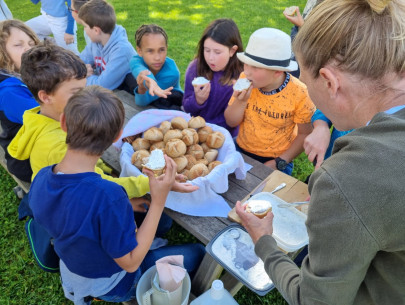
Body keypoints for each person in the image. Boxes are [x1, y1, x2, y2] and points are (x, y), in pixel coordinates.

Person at [236, 0, 405, 304]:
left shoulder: (347, 177)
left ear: (328, 81)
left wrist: (264, 242)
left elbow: (315, 300)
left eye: (305, 80)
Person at [28, 85, 205, 304]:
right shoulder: (109, 196)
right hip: (112, 283)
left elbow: (72, 209)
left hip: (73, 265)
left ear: (63, 122)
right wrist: (158, 201)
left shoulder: (42, 176)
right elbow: (130, 263)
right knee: (198, 252)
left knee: (163, 223)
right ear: (118, 137)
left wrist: (124, 208)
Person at [7, 42, 196, 200]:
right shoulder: (57, 147)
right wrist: (151, 184)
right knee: (160, 221)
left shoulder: (38, 117)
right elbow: (98, 187)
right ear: (46, 96)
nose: (83, 97)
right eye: (75, 93)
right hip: (78, 205)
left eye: (84, 88)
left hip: (79, 188)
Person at [224, 28, 315, 175]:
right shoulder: (244, 79)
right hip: (241, 148)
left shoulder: (299, 93)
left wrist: (279, 162)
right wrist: (240, 102)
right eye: (246, 63)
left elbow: (305, 134)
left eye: (255, 67)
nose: (247, 71)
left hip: (278, 158)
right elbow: (231, 121)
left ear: (277, 71)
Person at [183, 19, 243, 137]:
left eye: (217, 52)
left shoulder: (240, 77)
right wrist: (197, 101)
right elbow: (186, 107)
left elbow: (233, 120)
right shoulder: (195, 68)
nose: (210, 58)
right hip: (194, 132)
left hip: (223, 136)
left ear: (232, 51)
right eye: (207, 50)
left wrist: (207, 129)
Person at [0, 19, 40, 182]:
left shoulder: (20, 74)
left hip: (39, 144)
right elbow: (51, 117)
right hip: (28, 161)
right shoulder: (9, 91)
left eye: (31, 43)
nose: (29, 49)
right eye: (19, 45)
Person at [78, 0, 136, 90]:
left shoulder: (122, 51)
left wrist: (83, 76)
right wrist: (82, 70)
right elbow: (78, 62)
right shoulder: (96, 42)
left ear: (96, 30)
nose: (84, 30)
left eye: (85, 26)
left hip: (130, 96)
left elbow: (101, 86)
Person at [129, 24, 183, 110]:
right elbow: (140, 69)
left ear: (166, 48)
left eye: (161, 50)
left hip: (171, 103)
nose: (157, 58)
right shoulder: (135, 60)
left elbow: (142, 102)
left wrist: (144, 87)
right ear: (139, 51)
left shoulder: (172, 73)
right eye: (150, 51)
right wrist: (146, 85)